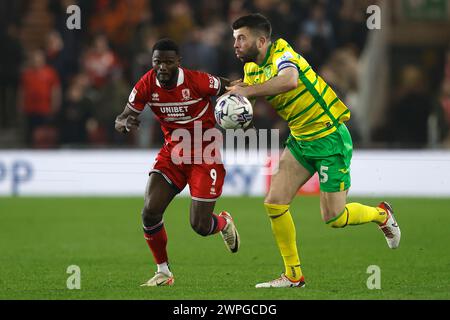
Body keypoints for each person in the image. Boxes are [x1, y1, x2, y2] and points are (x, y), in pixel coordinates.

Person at [226, 13, 401, 288]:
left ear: (261, 41)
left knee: (334, 218)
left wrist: (249, 92)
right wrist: (234, 98)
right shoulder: (251, 71)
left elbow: (289, 81)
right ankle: (293, 275)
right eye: (234, 38)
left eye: (241, 38)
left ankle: (381, 215)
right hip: (300, 139)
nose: (235, 44)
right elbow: (253, 91)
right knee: (274, 202)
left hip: (328, 137)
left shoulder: (282, 52)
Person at [114, 38, 240, 287]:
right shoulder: (146, 84)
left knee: (201, 226)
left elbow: (229, 87)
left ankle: (224, 222)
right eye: (157, 61)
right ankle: (163, 271)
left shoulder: (197, 80)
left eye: (168, 62)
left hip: (205, 156)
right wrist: (124, 123)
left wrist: (244, 100)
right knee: (150, 212)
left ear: (178, 63)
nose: (162, 67)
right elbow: (123, 116)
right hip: (173, 154)